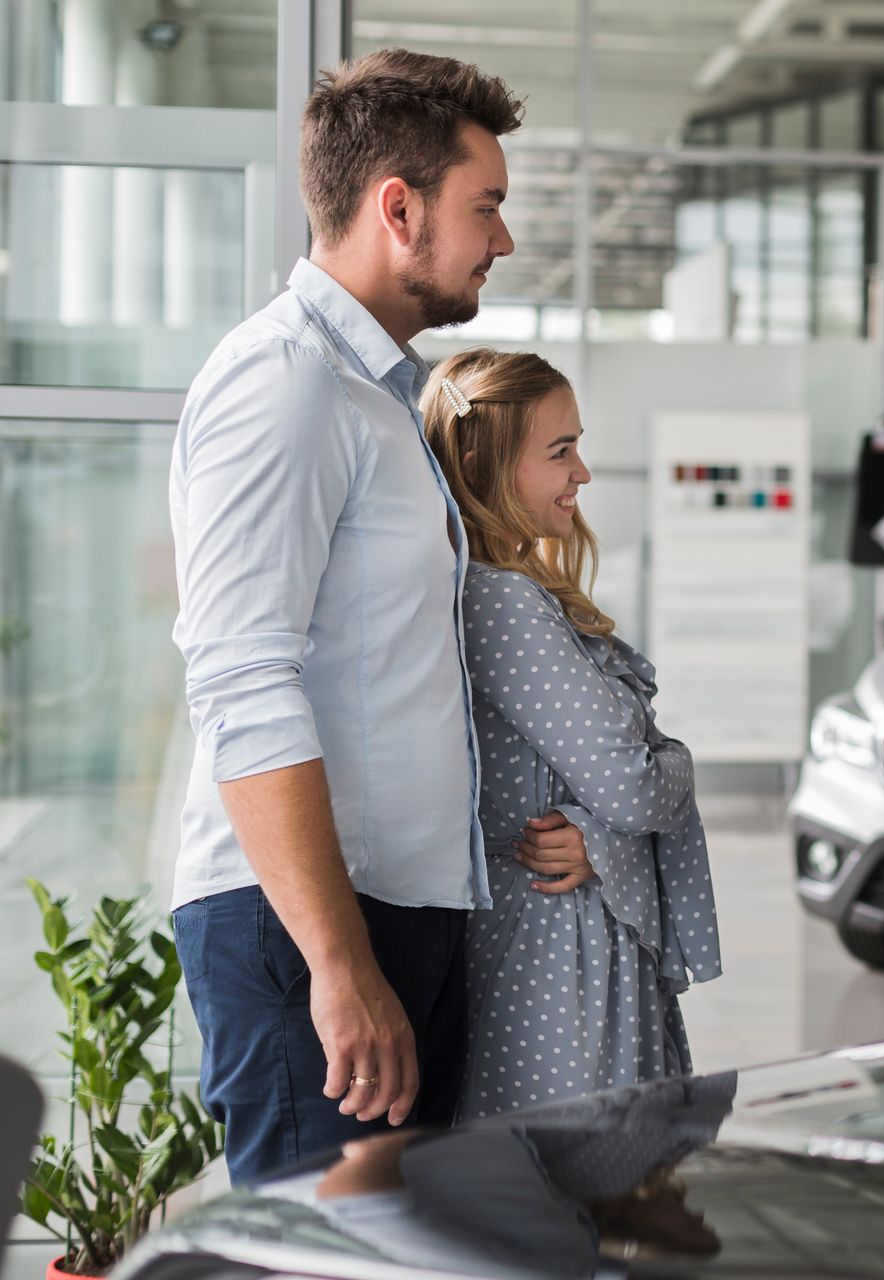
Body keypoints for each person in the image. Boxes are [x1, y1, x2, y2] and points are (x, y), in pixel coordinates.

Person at [168, 49, 523, 1183]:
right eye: (489, 207)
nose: (502, 242)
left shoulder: (377, 396)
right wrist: (339, 958)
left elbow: (400, 674)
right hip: (312, 923)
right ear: (398, 207)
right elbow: (240, 681)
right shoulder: (283, 381)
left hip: (395, 912)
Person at [420, 348, 721, 1120]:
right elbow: (637, 784)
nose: (581, 474)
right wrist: (678, 761)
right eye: (560, 452)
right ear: (486, 464)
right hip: (558, 961)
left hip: (557, 945)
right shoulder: (505, 605)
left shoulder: (501, 593)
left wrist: (600, 838)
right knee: (581, 1194)